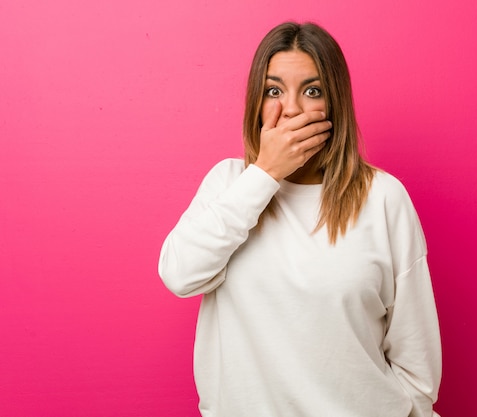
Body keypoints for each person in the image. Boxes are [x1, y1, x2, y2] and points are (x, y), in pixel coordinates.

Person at [159, 21, 442, 417]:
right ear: (256, 104)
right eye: (274, 91)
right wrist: (264, 174)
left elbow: (417, 366)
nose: (291, 109)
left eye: (312, 91)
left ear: (335, 104)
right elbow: (180, 275)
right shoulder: (229, 183)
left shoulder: (383, 198)